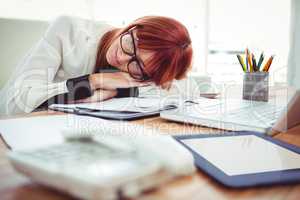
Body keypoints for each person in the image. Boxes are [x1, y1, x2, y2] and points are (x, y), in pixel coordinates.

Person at [0, 15, 193, 116]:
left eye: (138, 65)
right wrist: (92, 82)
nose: (122, 58)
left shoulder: (141, 75)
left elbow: (184, 91)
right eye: (130, 44)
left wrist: (120, 91)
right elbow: (15, 106)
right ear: (134, 26)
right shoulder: (68, 29)